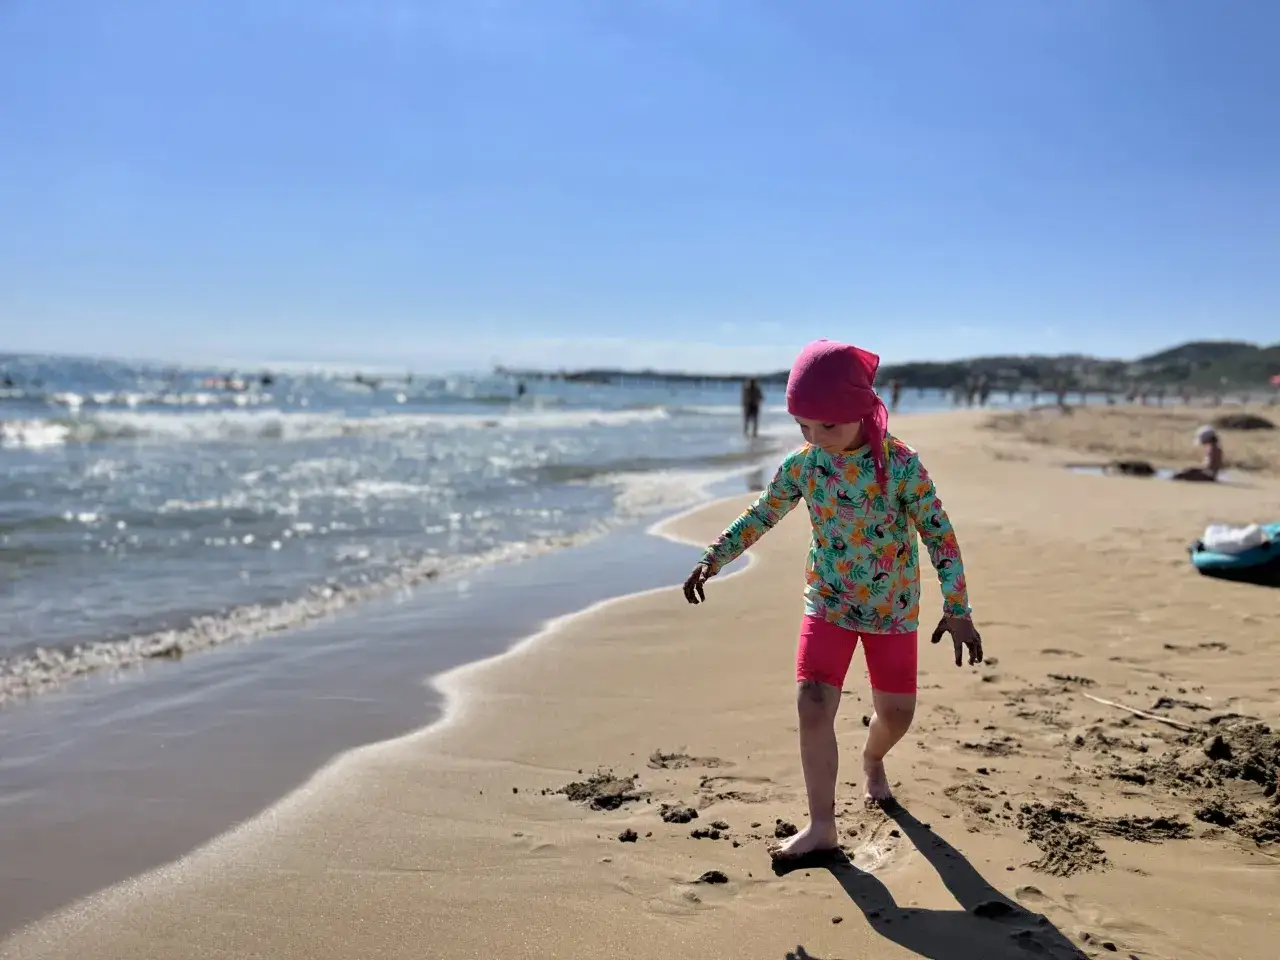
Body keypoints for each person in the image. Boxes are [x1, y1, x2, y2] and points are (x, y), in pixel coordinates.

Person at [682, 339, 983, 862]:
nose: (816, 438)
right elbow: (762, 513)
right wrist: (716, 556)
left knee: (897, 714)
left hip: (892, 609)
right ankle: (822, 826)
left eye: (828, 426)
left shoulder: (900, 465)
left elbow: (940, 534)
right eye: (803, 426)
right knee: (812, 703)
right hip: (828, 602)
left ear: (861, 410)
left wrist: (956, 608)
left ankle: (873, 758)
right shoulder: (805, 466)